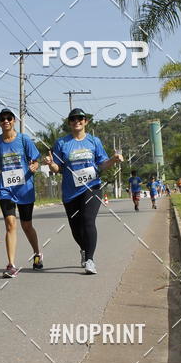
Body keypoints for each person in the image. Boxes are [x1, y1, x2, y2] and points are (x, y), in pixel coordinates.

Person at [43, 108, 123, 274]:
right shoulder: (62, 143)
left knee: (88, 220)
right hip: (70, 191)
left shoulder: (94, 142)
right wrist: (51, 164)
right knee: (75, 227)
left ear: (86, 121)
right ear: (69, 123)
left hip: (92, 187)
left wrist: (113, 160)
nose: (77, 121)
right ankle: (84, 249)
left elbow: (101, 165)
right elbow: (58, 168)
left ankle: (90, 260)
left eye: (80, 118)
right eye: (73, 119)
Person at [0, 108, 42, 277]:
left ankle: (37, 254)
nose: (6, 121)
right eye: (2, 119)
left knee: (26, 225)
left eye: (9, 118)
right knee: (10, 224)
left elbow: (36, 160)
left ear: (14, 121)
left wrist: (34, 166)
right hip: (5, 188)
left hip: (24, 188)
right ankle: (11, 265)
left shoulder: (24, 139)